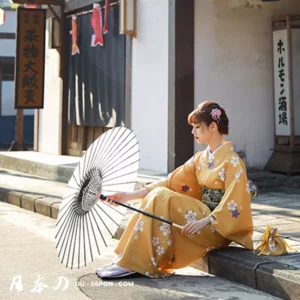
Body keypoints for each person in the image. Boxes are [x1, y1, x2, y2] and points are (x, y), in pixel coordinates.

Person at [96, 101, 254, 279]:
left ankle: (134, 262)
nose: (192, 132)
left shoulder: (233, 162)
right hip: (200, 219)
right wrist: (128, 196)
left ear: (212, 126)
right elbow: (170, 182)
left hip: (216, 227)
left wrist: (204, 221)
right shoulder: (200, 159)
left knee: (162, 197)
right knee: (158, 195)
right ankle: (127, 257)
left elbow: (236, 202)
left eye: (197, 127)